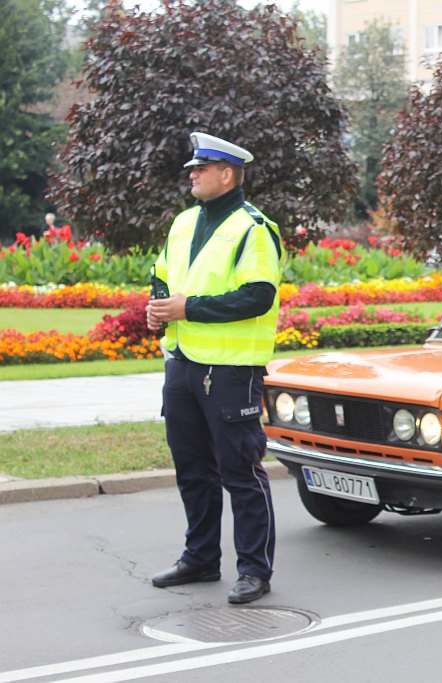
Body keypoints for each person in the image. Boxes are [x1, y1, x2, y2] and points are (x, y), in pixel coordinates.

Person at [147, 132, 283, 605]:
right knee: (192, 470)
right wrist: (157, 306)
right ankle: (201, 558)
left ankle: (254, 570)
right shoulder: (184, 222)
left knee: (241, 472)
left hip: (231, 370)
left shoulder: (254, 228)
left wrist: (188, 308)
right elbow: (162, 277)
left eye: (200, 168)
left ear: (227, 173)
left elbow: (258, 295)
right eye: (192, 168)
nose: (192, 174)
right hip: (182, 364)